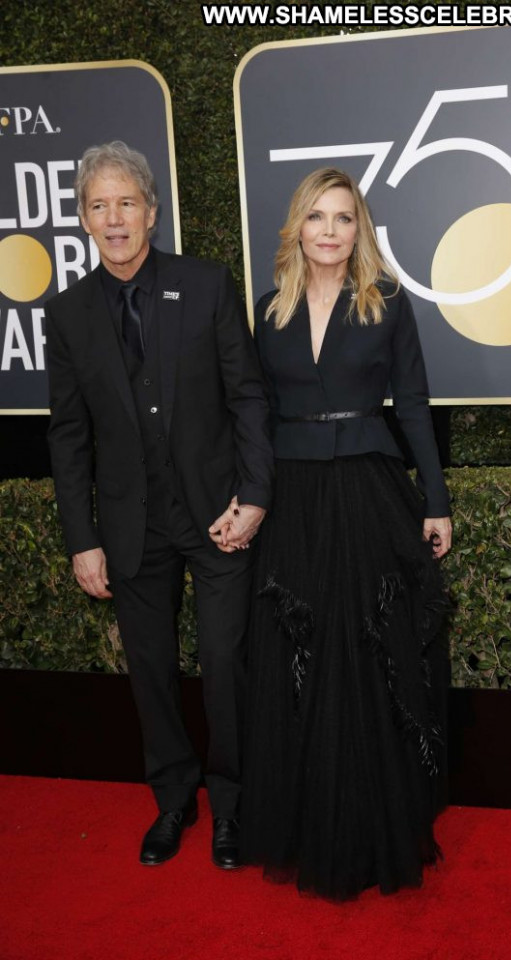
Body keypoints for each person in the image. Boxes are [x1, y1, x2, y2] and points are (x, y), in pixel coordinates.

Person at [45, 141, 273, 870]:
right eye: (98, 206)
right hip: (130, 526)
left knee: (225, 663)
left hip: (218, 516)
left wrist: (254, 495)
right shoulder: (68, 314)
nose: (114, 219)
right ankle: (173, 799)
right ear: (84, 219)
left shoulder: (205, 285)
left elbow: (247, 397)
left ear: (151, 210)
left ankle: (233, 804)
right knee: (150, 670)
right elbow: (68, 435)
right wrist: (82, 538)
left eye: (126, 203)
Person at [234, 168, 452, 900]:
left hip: (366, 488)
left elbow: (414, 404)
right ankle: (304, 824)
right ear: (297, 227)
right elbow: (256, 415)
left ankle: (372, 823)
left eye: (344, 217)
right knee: (299, 652)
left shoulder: (387, 301)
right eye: (317, 217)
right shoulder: (269, 310)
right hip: (293, 495)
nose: (330, 231)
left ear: (360, 229)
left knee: (367, 653)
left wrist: (436, 499)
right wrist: (250, 494)